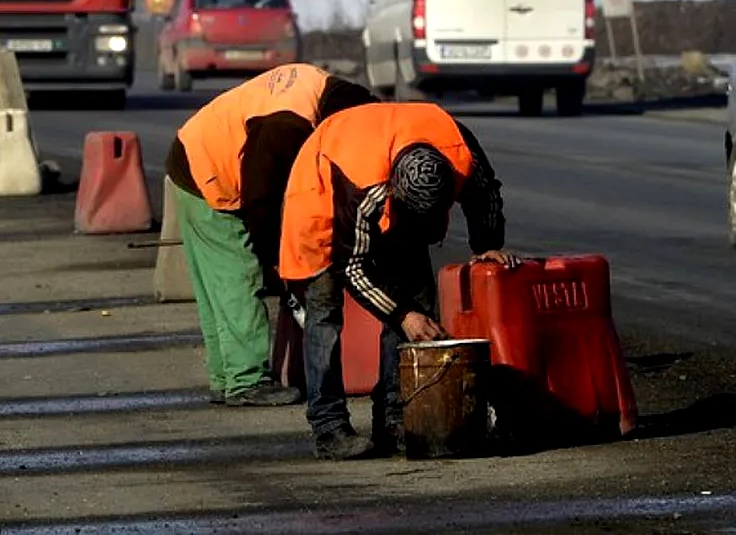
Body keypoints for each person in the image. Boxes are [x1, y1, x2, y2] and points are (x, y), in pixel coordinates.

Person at [276, 101, 521, 459]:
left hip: (379, 164)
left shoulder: (458, 148)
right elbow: (353, 268)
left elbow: (484, 194)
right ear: (393, 191)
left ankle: (395, 416)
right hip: (321, 187)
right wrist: (402, 314)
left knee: (416, 294)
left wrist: (487, 245)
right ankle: (329, 428)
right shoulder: (362, 190)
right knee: (325, 308)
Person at [166, 63, 380, 407]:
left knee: (217, 289)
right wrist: (274, 260)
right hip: (210, 173)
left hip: (191, 156)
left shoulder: (312, 85)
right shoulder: (287, 122)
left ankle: (227, 377)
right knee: (238, 279)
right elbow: (260, 197)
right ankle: (247, 381)